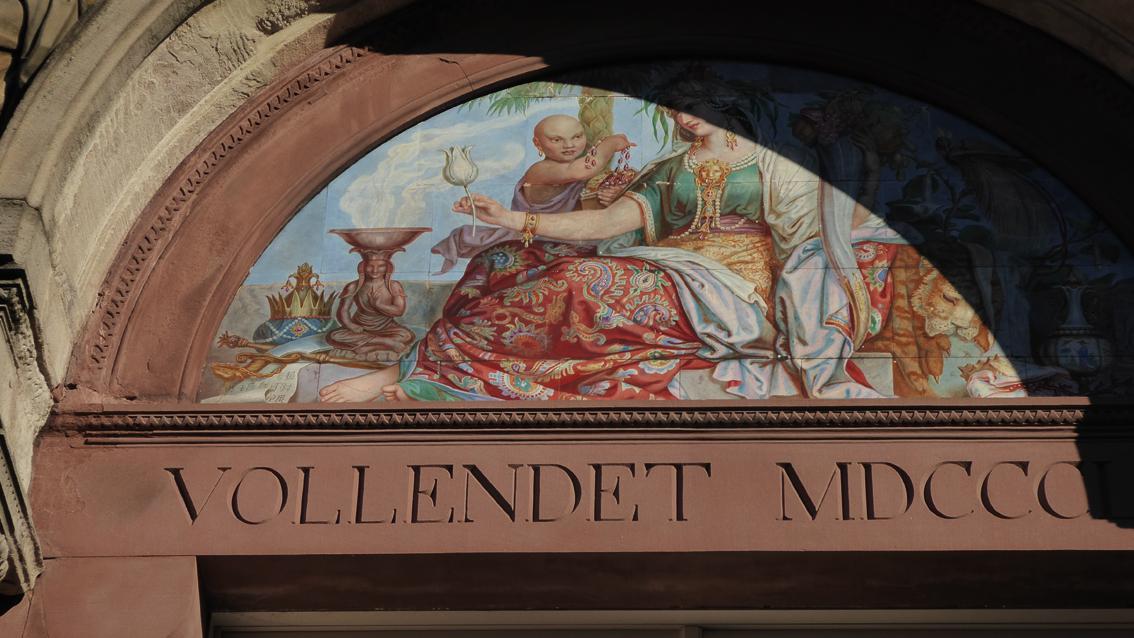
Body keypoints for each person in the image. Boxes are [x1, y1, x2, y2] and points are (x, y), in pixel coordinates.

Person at [319, 78, 895, 403]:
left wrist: (801, 321)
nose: (683, 118)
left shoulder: (776, 164)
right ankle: (419, 368)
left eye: (693, 106)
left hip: (734, 293)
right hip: (665, 269)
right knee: (505, 263)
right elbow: (604, 224)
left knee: (578, 279)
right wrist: (512, 220)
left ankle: (408, 376)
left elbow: (803, 246)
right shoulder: (669, 169)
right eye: (674, 109)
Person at [430, 114, 633, 275]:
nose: (569, 145)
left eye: (577, 137)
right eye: (557, 140)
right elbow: (583, 169)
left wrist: (615, 195)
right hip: (539, 241)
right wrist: (610, 143)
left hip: (573, 238)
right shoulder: (541, 170)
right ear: (538, 144)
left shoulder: (575, 172)